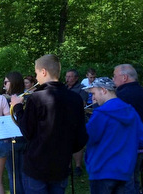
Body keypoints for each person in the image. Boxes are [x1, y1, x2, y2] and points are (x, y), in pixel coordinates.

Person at [11, 54, 88, 194]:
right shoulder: (75, 99)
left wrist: (17, 107)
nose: (36, 77)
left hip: (37, 167)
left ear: (43, 72)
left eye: (36, 73)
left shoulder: (36, 98)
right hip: (61, 165)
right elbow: (81, 138)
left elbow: (27, 132)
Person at [83, 77, 143, 194]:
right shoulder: (130, 111)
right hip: (126, 171)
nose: (93, 98)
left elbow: (87, 138)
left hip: (102, 170)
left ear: (103, 90)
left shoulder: (101, 113)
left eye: (94, 93)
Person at [113, 64, 143, 193]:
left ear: (124, 77)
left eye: (114, 76)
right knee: (134, 179)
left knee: (125, 183)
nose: (113, 79)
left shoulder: (117, 97)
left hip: (122, 147)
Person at [3, 72, 26, 194]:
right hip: (25, 138)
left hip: (12, 140)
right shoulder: (26, 97)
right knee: (23, 174)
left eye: (6, 82)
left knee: (13, 175)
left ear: (13, 83)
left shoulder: (9, 100)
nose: (4, 85)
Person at [65, 69, 87, 177]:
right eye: (66, 76)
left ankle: (78, 166)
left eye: (70, 76)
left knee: (77, 143)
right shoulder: (64, 88)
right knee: (66, 143)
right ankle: (67, 166)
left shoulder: (81, 88)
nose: (67, 79)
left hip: (76, 118)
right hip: (65, 119)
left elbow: (82, 103)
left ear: (76, 78)